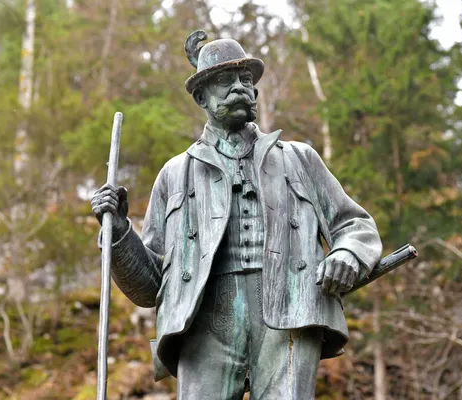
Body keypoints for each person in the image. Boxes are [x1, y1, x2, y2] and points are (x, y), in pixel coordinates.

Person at [91, 30, 382, 400]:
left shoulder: (299, 159)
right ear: (201, 97)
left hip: (290, 313)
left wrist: (347, 254)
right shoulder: (175, 174)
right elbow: (150, 288)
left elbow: (353, 224)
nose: (240, 88)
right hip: (204, 322)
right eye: (225, 81)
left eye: (246, 80)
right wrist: (118, 232)